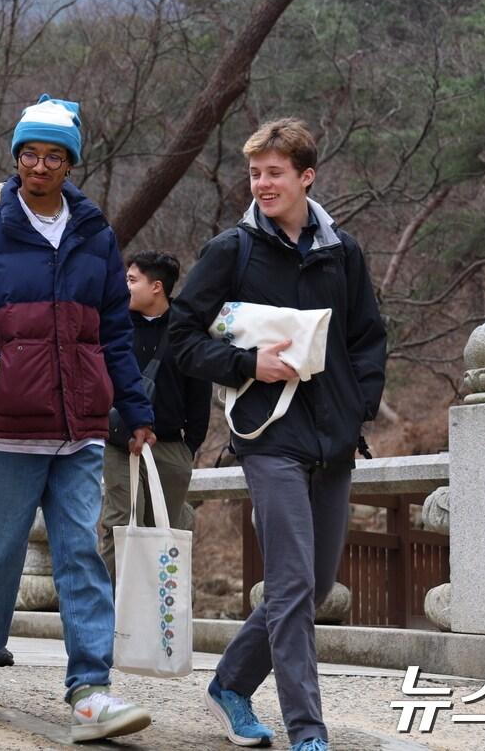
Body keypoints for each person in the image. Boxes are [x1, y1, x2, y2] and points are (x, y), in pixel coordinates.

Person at [168, 118, 387, 751]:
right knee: (291, 584)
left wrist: (358, 406)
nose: (262, 183)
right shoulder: (230, 250)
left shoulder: (341, 251)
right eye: (255, 172)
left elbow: (367, 336)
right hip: (268, 436)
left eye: (275, 172)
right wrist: (246, 364)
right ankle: (308, 732)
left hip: (334, 439)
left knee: (313, 587)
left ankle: (230, 684)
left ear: (305, 176)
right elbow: (183, 338)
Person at [0, 94, 156, 743]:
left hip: (80, 427)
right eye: (30, 153)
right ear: (16, 158)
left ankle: (90, 688)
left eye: (54, 155)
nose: (41, 165)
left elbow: (115, 329)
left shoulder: (95, 233)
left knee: (80, 556)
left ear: (70, 162)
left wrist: (137, 407)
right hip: (7, 424)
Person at [98, 251, 211, 584]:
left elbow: (199, 392)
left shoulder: (186, 329)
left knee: (166, 532)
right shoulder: (114, 324)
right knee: (120, 523)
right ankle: (107, 616)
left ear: (157, 287)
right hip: (120, 443)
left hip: (170, 445)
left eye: (132, 280)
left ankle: (160, 619)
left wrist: (189, 446)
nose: (124, 286)